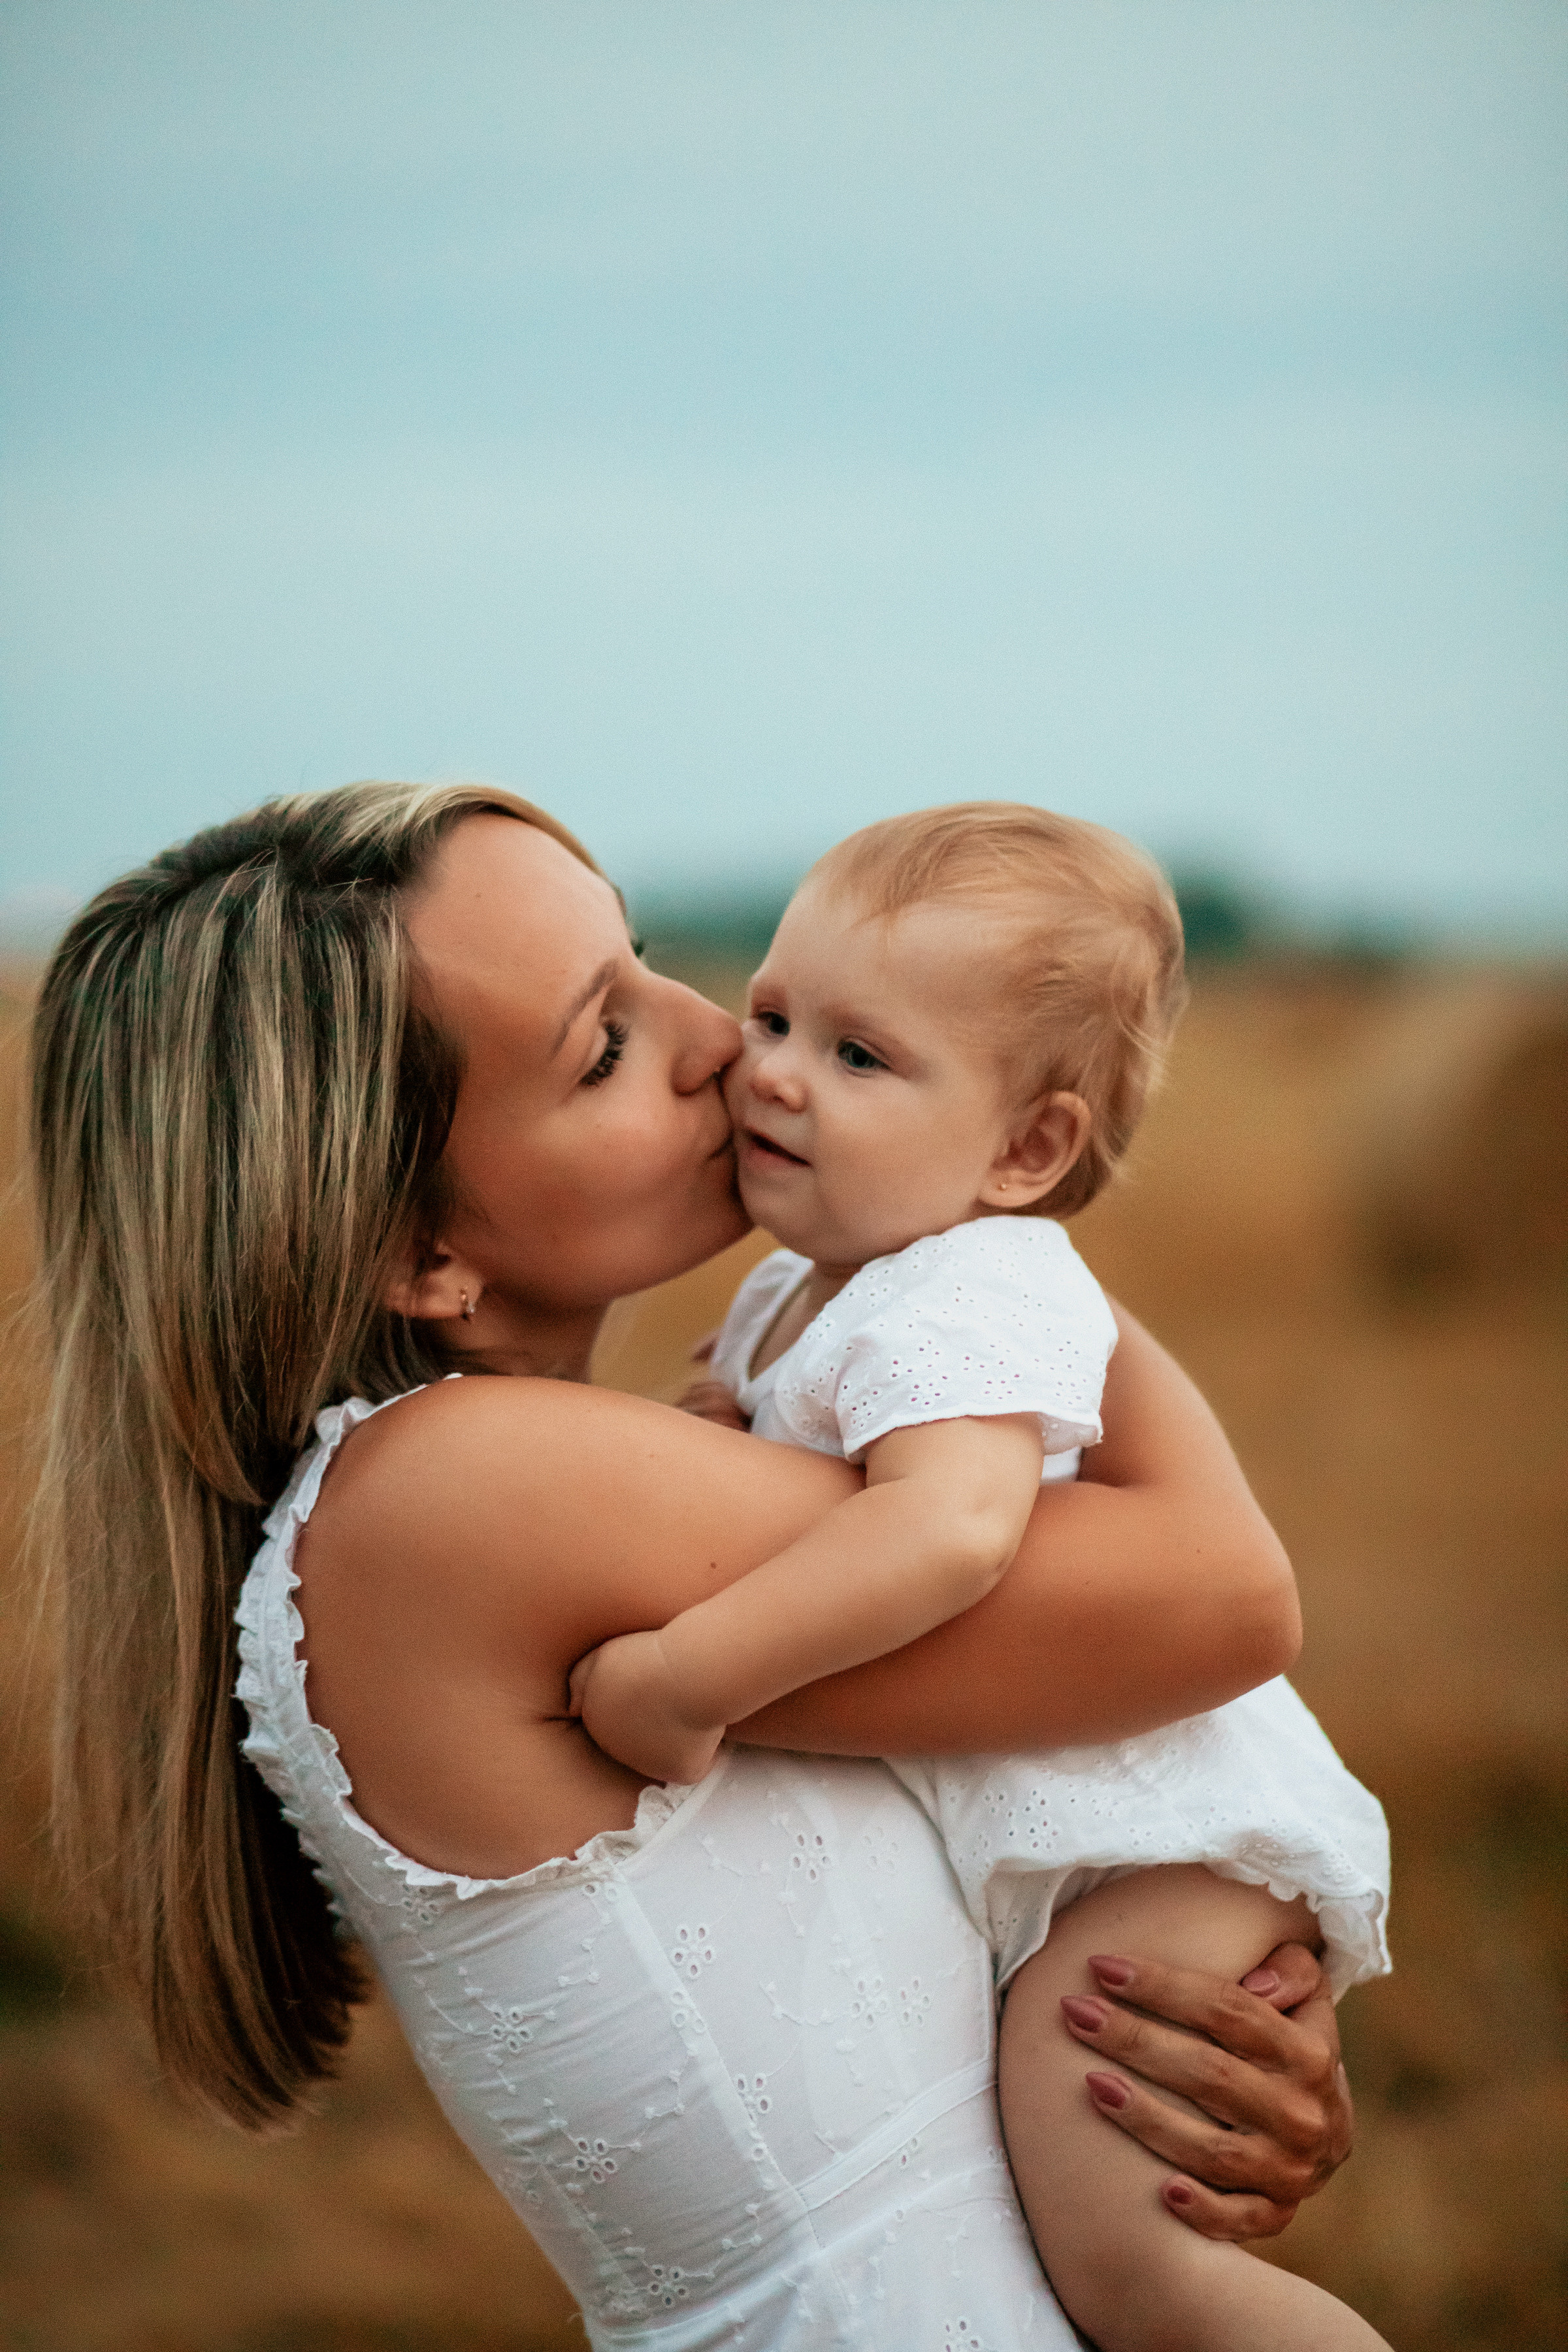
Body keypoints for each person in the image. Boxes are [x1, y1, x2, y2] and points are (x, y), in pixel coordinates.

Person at [31, 781, 1357, 2351]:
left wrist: (1189, 2069)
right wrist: (993, 1214)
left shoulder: (529, 1484)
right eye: (604, 1044)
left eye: (650, 958)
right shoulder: (451, 1496)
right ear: (417, 1255)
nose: (725, 1041)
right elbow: (1224, 1596)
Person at [570, 804, 1390, 2351]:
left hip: (1150, 1844)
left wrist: (689, 1675)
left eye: (861, 1056)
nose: (775, 1072)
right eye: (774, 1016)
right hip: (1068, 1834)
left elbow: (948, 1530)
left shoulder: (967, 1287)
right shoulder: (801, 1282)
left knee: (1134, 2268)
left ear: (1025, 1151)